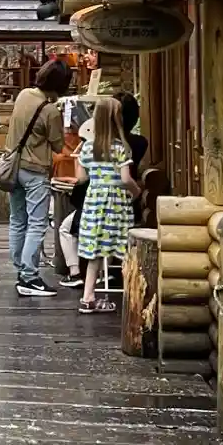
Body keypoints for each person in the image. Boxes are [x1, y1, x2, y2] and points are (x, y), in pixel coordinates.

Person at [6, 57, 71, 296]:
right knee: (37, 223)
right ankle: (29, 277)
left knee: (17, 220)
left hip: (14, 168)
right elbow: (58, 146)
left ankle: (20, 270)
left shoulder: (23, 95)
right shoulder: (50, 111)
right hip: (35, 171)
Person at [76, 96, 139, 315]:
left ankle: (88, 297)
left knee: (95, 251)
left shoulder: (87, 148)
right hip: (116, 204)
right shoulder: (120, 148)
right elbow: (125, 179)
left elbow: (81, 178)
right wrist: (136, 192)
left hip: (94, 202)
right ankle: (133, 295)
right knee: (122, 248)